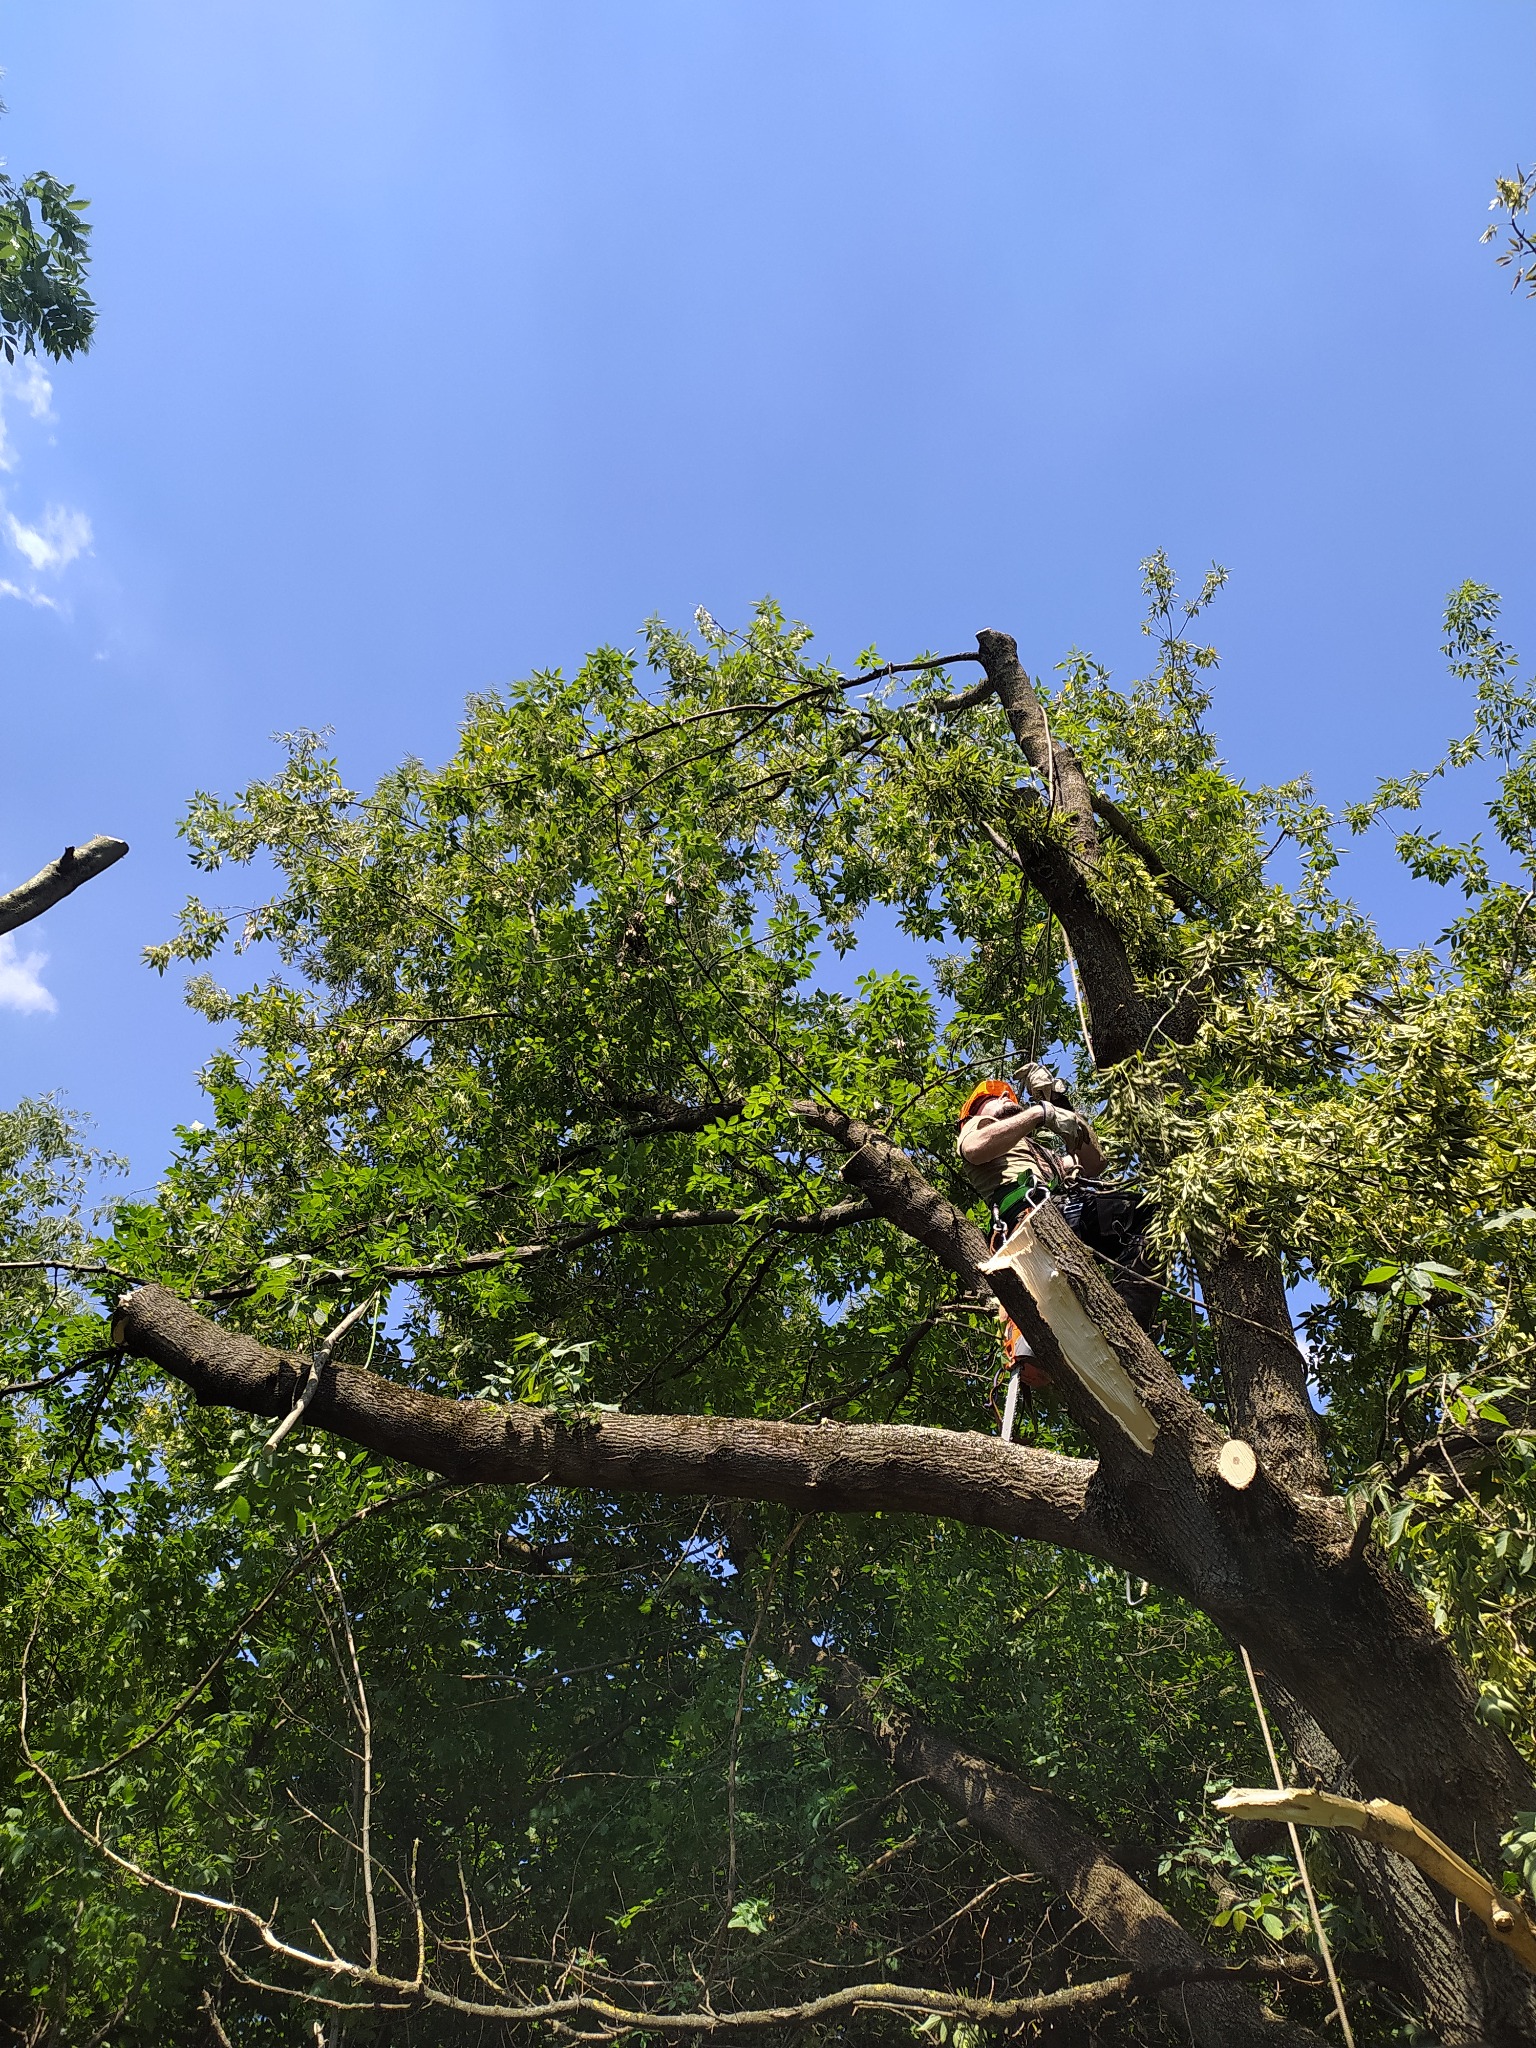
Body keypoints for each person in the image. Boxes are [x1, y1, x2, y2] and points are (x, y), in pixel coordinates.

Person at [956, 1068, 1160, 1335]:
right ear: (975, 1112)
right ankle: (1130, 1320)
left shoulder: (1038, 1151)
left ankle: (1132, 1323)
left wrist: (1059, 1104)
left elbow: (1094, 1163)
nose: (1007, 1095)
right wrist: (1039, 1112)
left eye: (1010, 1093)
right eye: (993, 1096)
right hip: (1030, 1216)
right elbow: (974, 1149)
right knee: (1146, 1214)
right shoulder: (978, 1127)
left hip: (1062, 1211)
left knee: (1154, 1219)